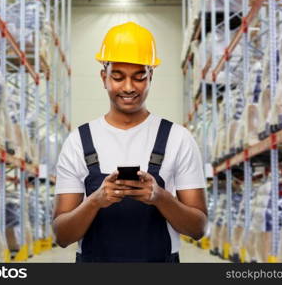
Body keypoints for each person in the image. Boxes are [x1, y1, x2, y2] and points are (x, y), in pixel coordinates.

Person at [52, 22, 208, 263]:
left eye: (139, 77)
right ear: (104, 77)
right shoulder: (79, 142)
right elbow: (62, 235)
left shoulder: (178, 139)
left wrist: (160, 197)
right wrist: (96, 200)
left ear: (150, 76)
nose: (128, 87)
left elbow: (198, 228)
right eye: (117, 77)